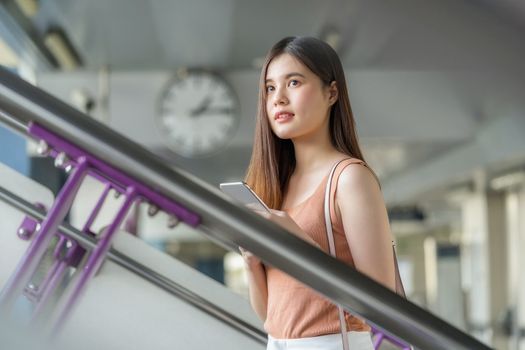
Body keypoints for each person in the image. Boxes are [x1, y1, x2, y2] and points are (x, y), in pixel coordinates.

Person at [241, 36, 396, 350]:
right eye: (270, 88)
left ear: (332, 92)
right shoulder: (276, 185)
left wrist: (300, 245)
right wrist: (251, 263)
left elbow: (382, 305)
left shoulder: (349, 179)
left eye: (294, 82)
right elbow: (272, 317)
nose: (278, 99)